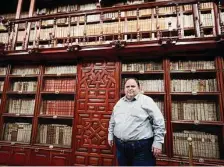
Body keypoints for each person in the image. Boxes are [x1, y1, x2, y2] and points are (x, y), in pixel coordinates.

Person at [108, 78, 166, 166]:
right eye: (127, 86)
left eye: (133, 86)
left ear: (139, 88)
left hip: (141, 148)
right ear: (124, 89)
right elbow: (112, 121)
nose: (130, 88)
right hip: (121, 148)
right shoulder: (119, 103)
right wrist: (110, 135)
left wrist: (158, 142)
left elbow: (159, 121)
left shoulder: (146, 101)